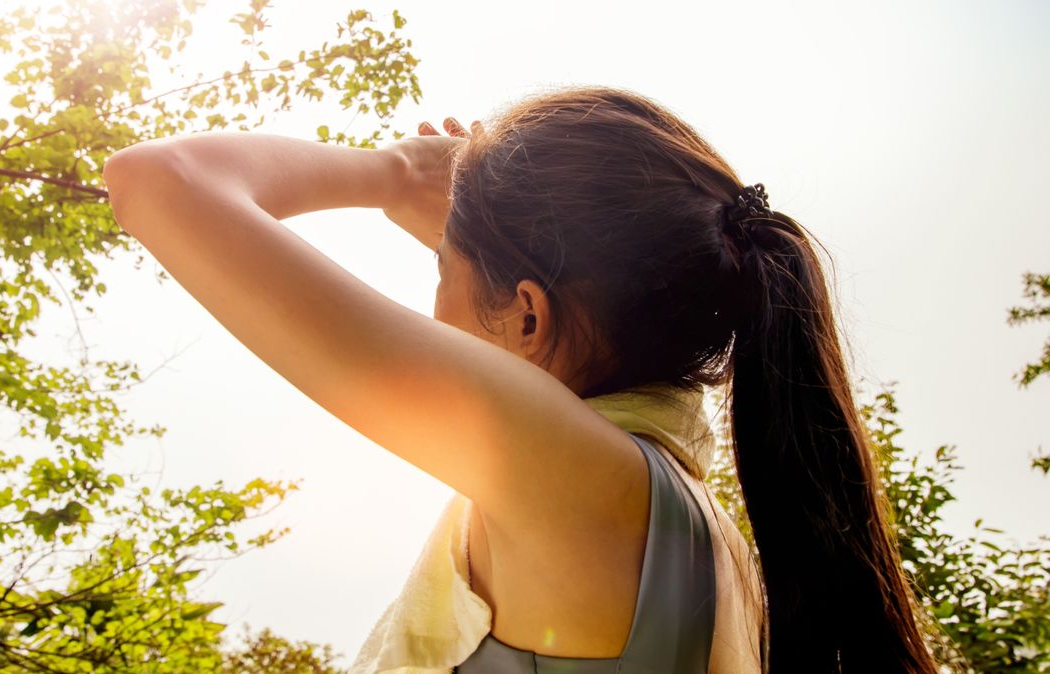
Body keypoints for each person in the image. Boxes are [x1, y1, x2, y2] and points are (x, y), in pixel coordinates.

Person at [103, 85, 941, 673]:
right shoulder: (688, 525)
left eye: (439, 274)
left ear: (532, 317)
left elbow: (159, 181)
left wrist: (392, 168)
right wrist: (483, 268)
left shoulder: (581, 484)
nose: (434, 312)